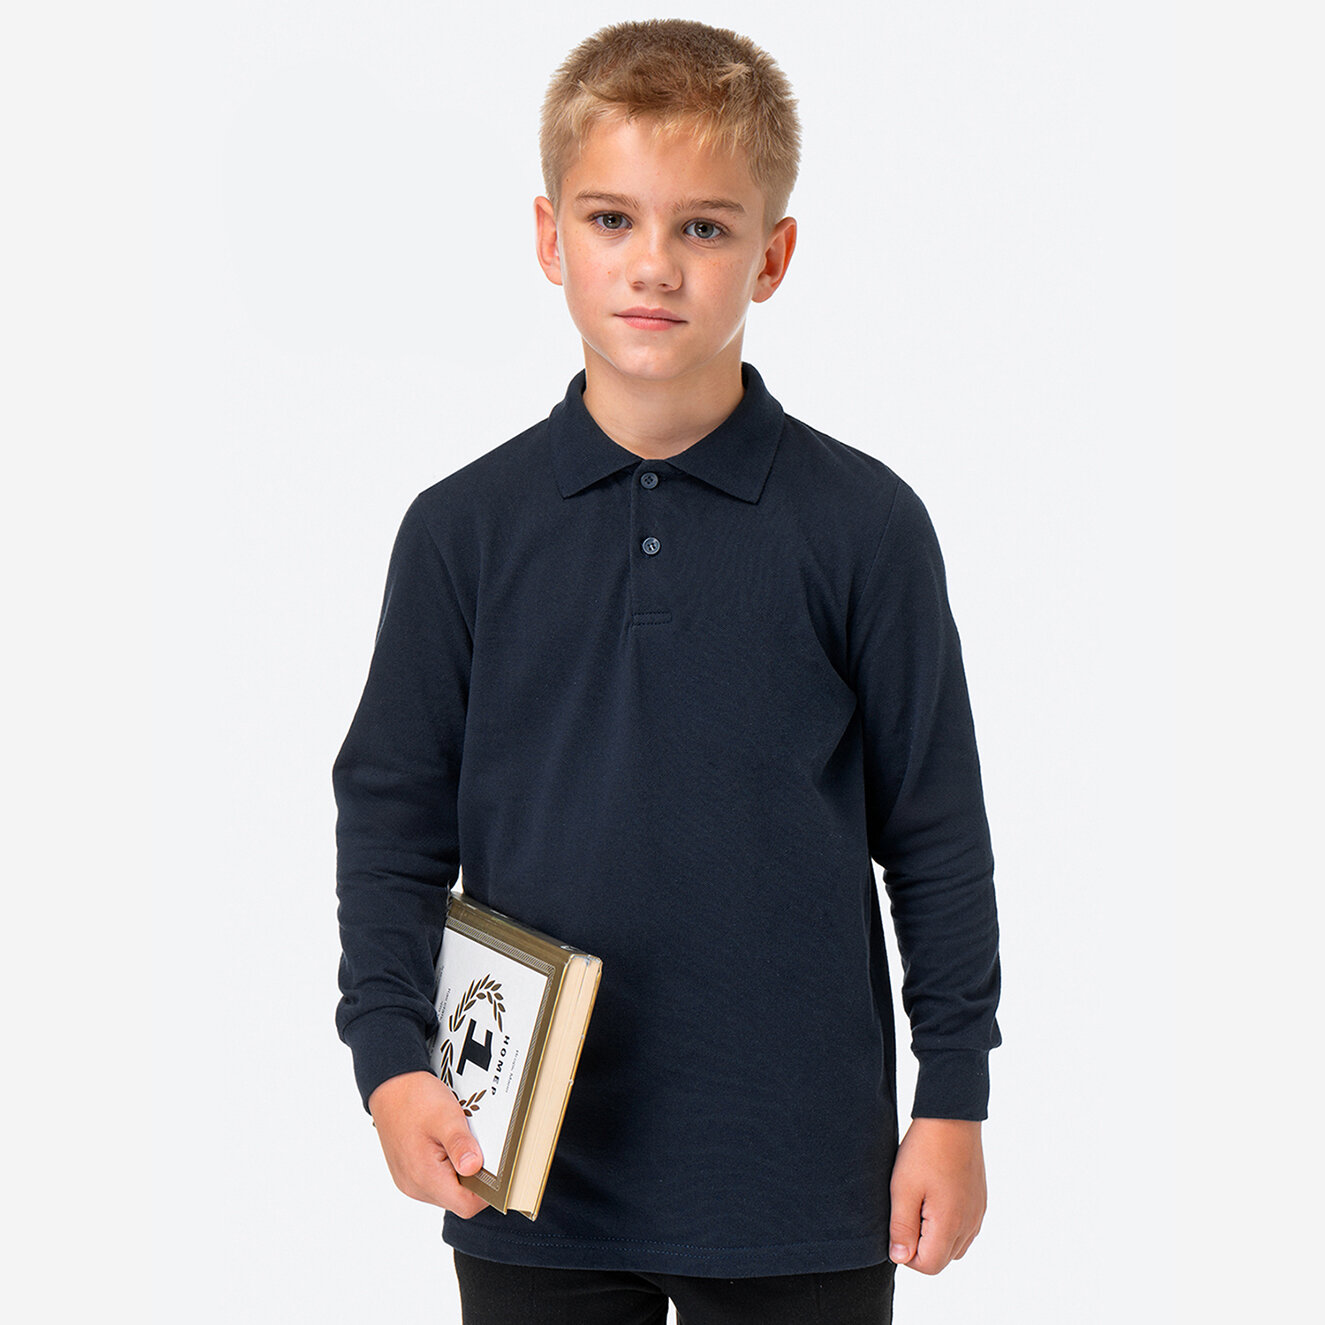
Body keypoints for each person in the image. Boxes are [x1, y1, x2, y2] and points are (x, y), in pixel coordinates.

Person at [333, 18, 1002, 1324]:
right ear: (549, 239)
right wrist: (388, 1059)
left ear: (773, 255)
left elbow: (934, 831)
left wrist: (954, 1099)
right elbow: (392, 818)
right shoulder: (462, 531)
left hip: (800, 1171)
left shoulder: (863, 526)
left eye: (702, 226)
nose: (653, 264)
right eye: (610, 220)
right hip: (527, 1172)